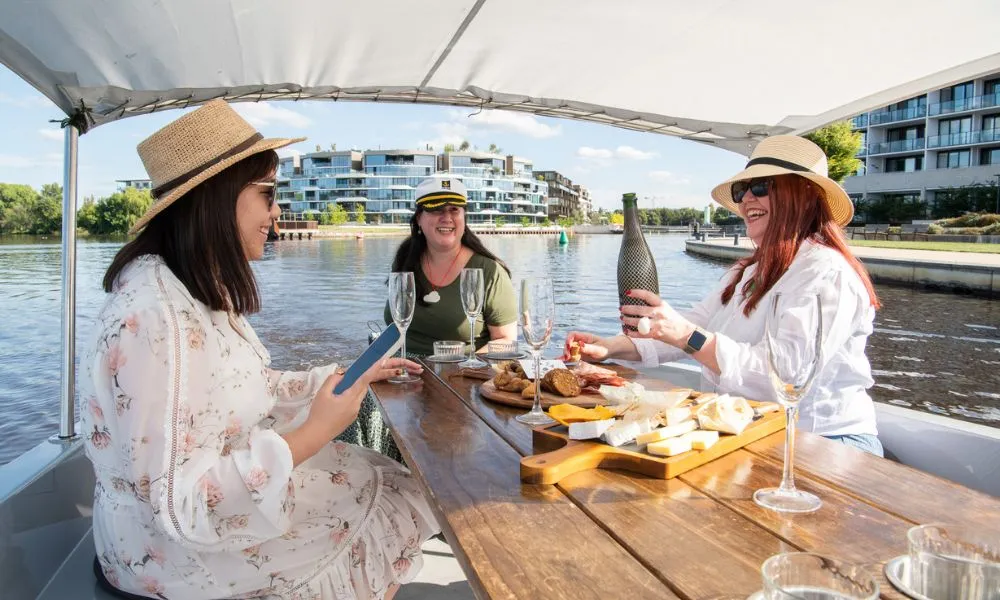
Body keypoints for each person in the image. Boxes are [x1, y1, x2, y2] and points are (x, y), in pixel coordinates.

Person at [80, 99, 438, 600]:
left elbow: (244, 387)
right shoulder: (155, 319)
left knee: (386, 477)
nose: (277, 212)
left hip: (182, 530)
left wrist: (339, 377)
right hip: (173, 557)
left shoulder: (191, 291)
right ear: (217, 196)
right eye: (267, 194)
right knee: (391, 499)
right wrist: (314, 432)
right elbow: (181, 507)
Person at [564, 135, 884, 457]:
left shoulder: (828, 272)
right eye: (740, 190)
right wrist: (609, 347)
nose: (746, 199)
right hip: (755, 432)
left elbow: (786, 377)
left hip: (824, 441)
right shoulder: (747, 271)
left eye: (760, 186)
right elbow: (692, 325)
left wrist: (686, 335)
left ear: (804, 195)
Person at [382, 176, 518, 356]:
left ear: (464, 218)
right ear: (419, 219)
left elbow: (507, 341)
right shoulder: (405, 260)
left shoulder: (491, 272)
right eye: (436, 209)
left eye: (454, 210)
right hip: (399, 368)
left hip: (459, 371)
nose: (446, 218)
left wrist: (465, 365)